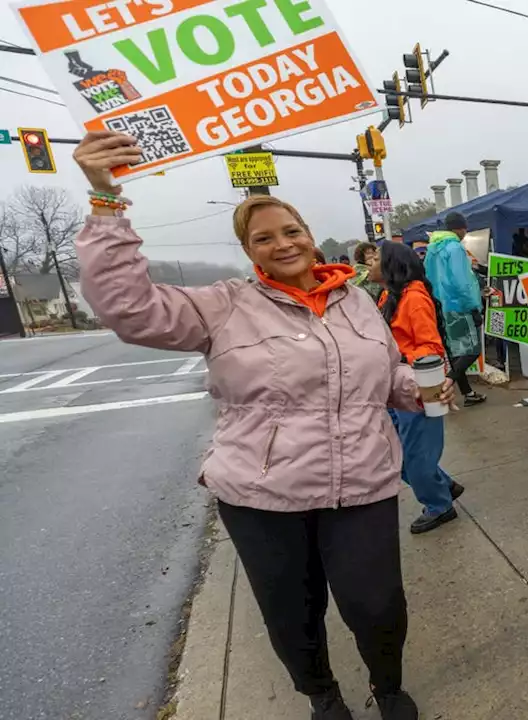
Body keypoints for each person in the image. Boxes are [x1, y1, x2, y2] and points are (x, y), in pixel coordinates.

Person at [71, 131, 422, 720]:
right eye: (264, 238)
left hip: (363, 481)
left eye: (291, 231)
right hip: (263, 495)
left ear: (310, 236)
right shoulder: (222, 305)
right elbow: (129, 310)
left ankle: (388, 686)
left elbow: (385, 376)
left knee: (378, 603)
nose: (282, 243)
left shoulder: (358, 301)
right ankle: (323, 697)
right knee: (292, 612)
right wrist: (106, 202)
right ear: (249, 251)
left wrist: (424, 390)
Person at [372, 241, 465, 534]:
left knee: (414, 459)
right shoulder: (391, 295)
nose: (368, 263)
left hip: (417, 388)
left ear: (391, 264)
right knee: (401, 457)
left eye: (375, 257)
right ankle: (444, 486)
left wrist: (404, 363)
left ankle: (440, 506)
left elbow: (430, 347)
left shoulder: (413, 298)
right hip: (397, 389)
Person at [425, 230, 486, 406]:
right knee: (472, 350)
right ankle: (448, 381)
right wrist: (472, 305)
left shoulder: (432, 249)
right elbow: (462, 281)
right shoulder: (455, 247)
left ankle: (468, 392)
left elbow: (429, 278)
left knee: (454, 351)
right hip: (460, 306)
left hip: (441, 306)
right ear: (461, 229)